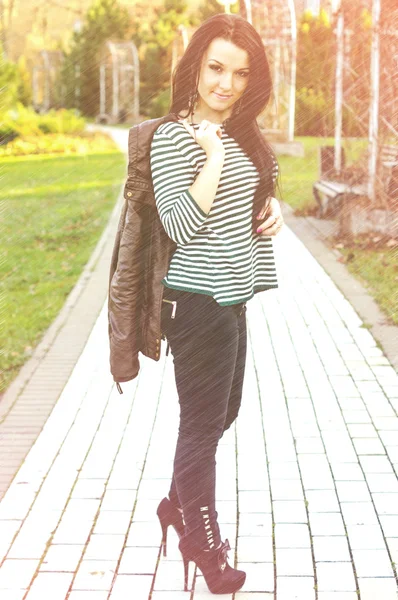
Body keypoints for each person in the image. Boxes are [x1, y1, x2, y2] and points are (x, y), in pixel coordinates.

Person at [149, 13, 284, 595]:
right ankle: (204, 547)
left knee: (221, 416)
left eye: (239, 73)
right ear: (196, 64)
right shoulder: (172, 137)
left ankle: (175, 505)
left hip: (233, 296)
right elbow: (178, 222)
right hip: (196, 302)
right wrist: (212, 160)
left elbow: (250, 198)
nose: (225, 83)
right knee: (202, 427)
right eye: (216, 68)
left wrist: (271, 212)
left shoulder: (244, 131)